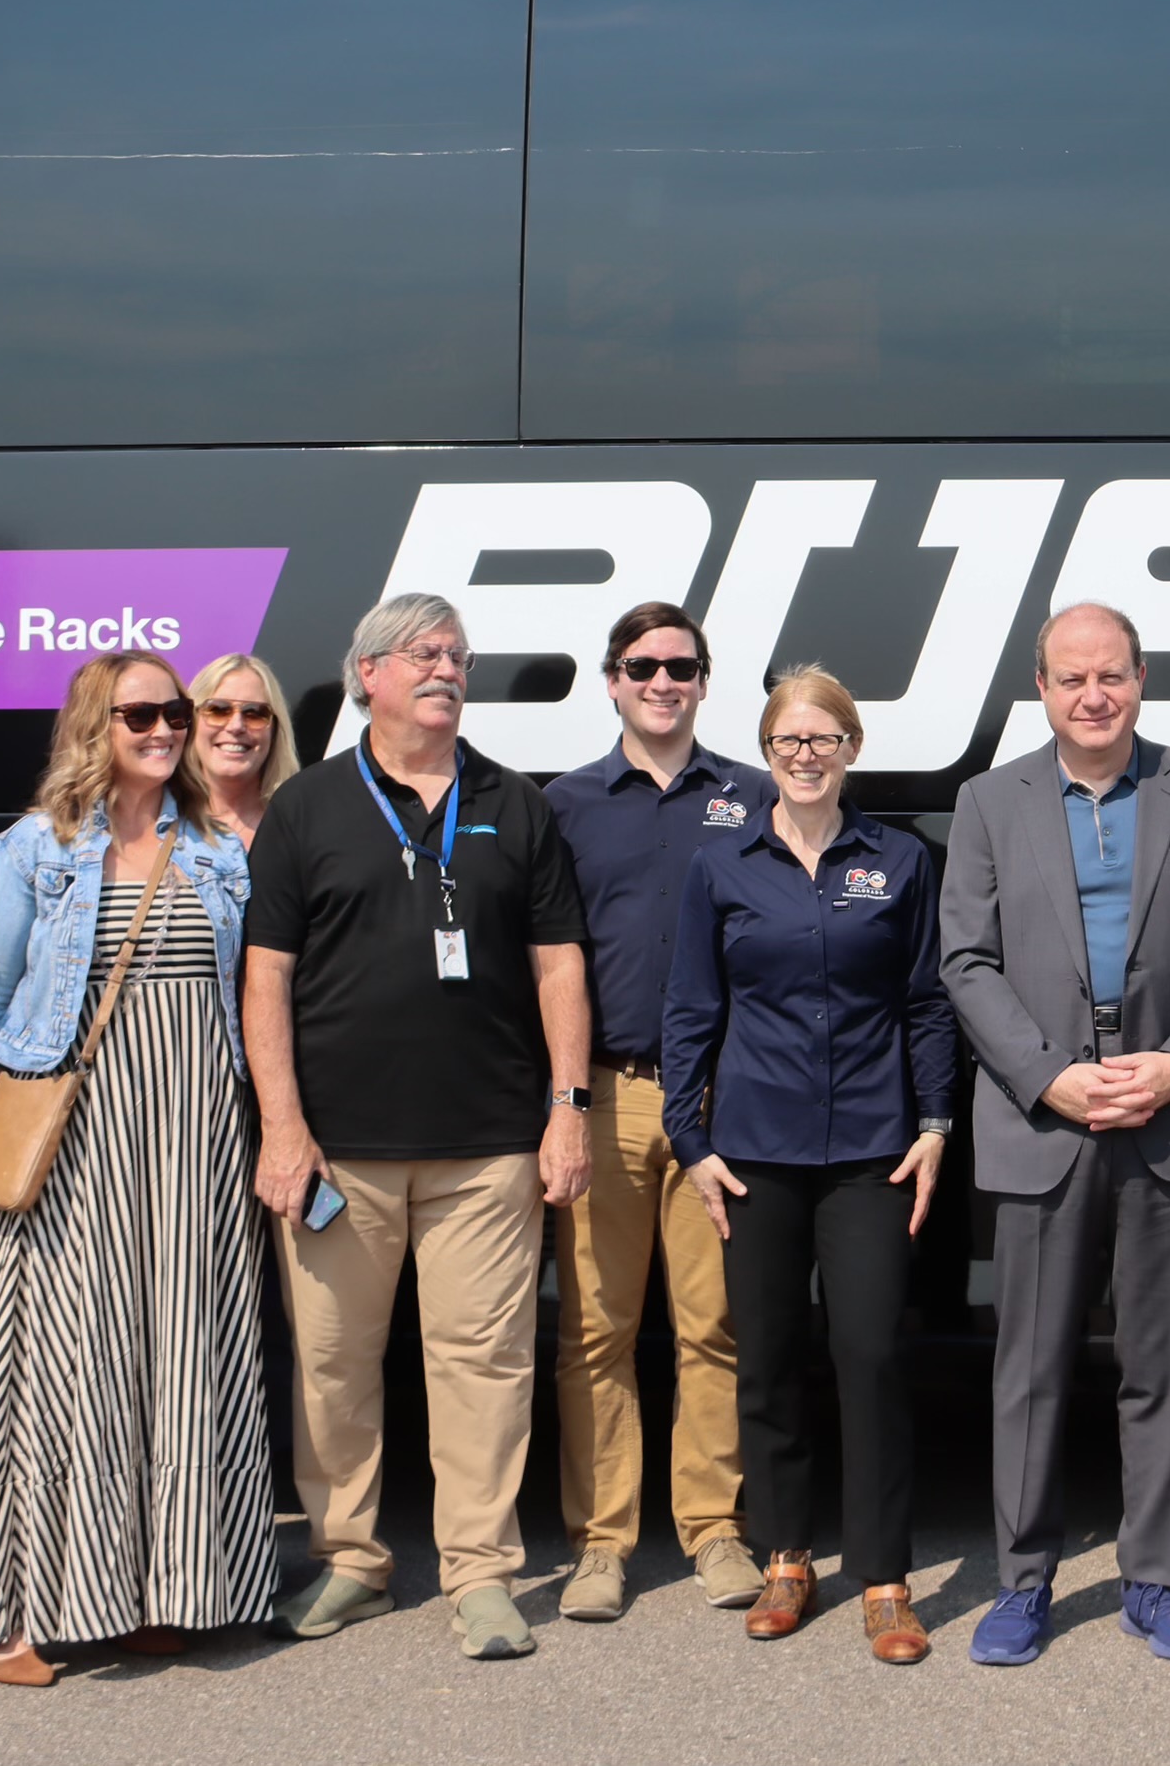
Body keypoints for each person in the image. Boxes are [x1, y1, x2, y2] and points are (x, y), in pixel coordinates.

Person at [244, 593, 594, 1662]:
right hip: (338, 1150)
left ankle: (480, 1575)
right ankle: (351, 1559)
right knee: (333, 1363)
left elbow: (559, 966)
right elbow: (265, 981)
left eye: (457, 654)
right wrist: (282, 1127)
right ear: (367, 676)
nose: (445, 668)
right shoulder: (306, 808)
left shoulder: (514, 804)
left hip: (488, 1148)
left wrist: (566, 1110)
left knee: (483, 1363)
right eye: (421, 653)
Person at [939, 601, 1170, 1668]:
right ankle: (1022, 1583)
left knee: (1158, 1362)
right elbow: (966, 962)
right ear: (1041, 687)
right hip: (1047, 1116)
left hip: (1168, 1115)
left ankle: (1151, 1579)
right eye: (1072, 678)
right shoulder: (989, 802)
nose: (1093, 695)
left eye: (1112, 675)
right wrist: (1049, 1079)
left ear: (1140, 680)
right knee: (1029, 1366)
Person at [0, 652, 271, 1684]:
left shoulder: (218, 846)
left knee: (178, 1349)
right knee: (53, 1360)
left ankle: (156, 1588)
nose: (167, 727)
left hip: (194, 1130)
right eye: (142, 712)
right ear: (96, 723)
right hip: (76, 1130)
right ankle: (8, 1614)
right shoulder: (32, 850)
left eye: (174, 710)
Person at [664, 668, 957, 1663]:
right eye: (786, 741)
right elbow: (690, 1011)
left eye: (821, 739)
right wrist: (690, 1143)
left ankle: (882, 1577)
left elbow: (925, 1001)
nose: (803, 755)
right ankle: (787, 1556)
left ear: (850, 749)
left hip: (872, 1150)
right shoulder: (722, 866)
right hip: (753, 1154)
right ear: (766, 752)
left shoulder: (902, 861)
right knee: (769, 1358)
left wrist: (935, 1121)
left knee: (870, 1357)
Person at [544, 604, 765, 1621]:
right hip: (606, 1095)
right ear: (612, 680)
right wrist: (562, 1101)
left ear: (705, 681)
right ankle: (601, 1542)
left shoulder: (755, 798)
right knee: (597, 1329)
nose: (662, 681)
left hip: (722, 1103)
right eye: (642, 666)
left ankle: (714, 1531)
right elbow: (544, 964)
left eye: (681, 666)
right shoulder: (567, 805)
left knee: (712, 1328)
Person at [190, 651, 299, 845]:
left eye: (254, 713)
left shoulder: (301, 827)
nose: (236, 726)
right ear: (192, 721)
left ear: (275, 729)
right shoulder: (154, 824)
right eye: (218, 710)